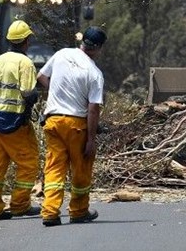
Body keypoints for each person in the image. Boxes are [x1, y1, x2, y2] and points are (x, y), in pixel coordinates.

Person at [36, 26, 107, 227]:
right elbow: (93, 109)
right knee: (81, 168)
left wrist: (57, 92)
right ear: (99, 48)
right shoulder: (94, 73)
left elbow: (41, 76)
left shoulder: (62, 54)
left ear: (82, 42)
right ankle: (78, 211)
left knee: (54, 168)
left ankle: (50, 212)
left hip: (53, 121)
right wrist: (91, 141)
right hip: (76, 125)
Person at [0, 20, 41, 221]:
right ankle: (19, 205)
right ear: (26, 41)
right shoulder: (25, 64)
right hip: (14, 124)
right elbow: (27, 93)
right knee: (29, 162)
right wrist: (35, 97)